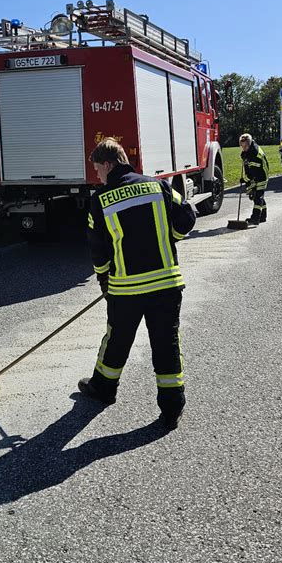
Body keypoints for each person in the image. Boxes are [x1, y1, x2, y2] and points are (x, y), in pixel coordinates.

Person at [78, 138, 196, 430]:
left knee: (116, 341)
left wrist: (105, 280)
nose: (98, 177)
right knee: (166, 344)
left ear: (108, 164)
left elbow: (98, 249)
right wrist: (171, 241)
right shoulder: (159, 186)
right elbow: (188, 218)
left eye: (97, 170)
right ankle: (172, 408)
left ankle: (103, 389)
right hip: (167, 284)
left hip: (126, 290)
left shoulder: (101, 200)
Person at [239, 133, 269, 225]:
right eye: (242, 146)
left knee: (257, 198)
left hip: (261, 176)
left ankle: (255, 219)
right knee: (258, 197)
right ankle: (263, 217)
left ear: (249, 144)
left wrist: (246, 180)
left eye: (245, 146)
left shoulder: (254, 154)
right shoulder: (249, 150)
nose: (243, 148)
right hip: (257, 174)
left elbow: (253, 173)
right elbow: (250, 170)